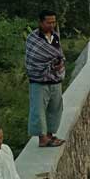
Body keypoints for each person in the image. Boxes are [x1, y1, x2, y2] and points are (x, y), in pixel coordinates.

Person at [26, 9, 66, 147]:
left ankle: (50, 135)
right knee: (38, 110)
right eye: (48, 22)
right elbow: (33, 60)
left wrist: (59, 64)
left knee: (55, 108)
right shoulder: (33, 38)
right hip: (39, 81)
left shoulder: (56, 36)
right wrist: (48, 65)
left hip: (55, 79)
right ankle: (42, 139)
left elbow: (59, 54)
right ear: (41, 22)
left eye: (53, 22)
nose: (51, 25)